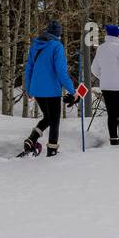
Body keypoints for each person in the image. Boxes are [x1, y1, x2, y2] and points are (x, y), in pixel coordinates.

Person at [21, 19, 76, 158]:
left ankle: (32, 139)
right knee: (55, 120)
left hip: (37, 89)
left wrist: (28, 88)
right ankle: (52, 151)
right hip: (51, 90)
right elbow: (61, 71)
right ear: (58, 34)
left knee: (48, 117)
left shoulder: (35, 45)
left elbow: (29, 68)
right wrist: (73, 90)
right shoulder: (57, 46)